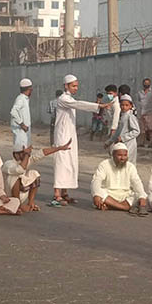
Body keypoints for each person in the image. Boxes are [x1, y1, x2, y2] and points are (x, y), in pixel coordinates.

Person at [52, 74, 107, 207]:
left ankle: (64, 193)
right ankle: (57, 194)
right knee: (61, 163)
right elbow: (79, 104)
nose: (76, 88)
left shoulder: (69, 98)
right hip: (62, 137)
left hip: (70, 135)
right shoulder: (63, 99)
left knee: (69, 163)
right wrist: (98, 106)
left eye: (77, 86)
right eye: (73, 86)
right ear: (66, 86)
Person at [5, 140, 71, 213]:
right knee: (15, 177)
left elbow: (42, 153)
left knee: (34, 174)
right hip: (7, 195)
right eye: (23, 153)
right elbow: (20, 170)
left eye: (26, 154)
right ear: (16, 154)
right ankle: (17, 205)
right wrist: (27, 154)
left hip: (21, 194)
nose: (26, 156)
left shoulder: (26, 160)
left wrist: (59, 148)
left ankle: (30, 203)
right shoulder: (8, 164)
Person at [91, 143, 148, 215]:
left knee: (140, 194)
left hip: (125, 195)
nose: (123, 158)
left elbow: (137, 182)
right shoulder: (104, 164)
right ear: (113, 155)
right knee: (98, 192)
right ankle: (125, 208)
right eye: (119, 155)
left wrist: (142, 197)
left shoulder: (130, 166)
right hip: (109, 194)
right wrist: (96, 195)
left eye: (125, 155)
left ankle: (111, 206)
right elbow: (97, 180)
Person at [108, 95, 140, 164]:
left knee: (128, 163)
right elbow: (118, 131)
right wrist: (110, 141)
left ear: (130, 106)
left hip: (129, 144)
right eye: (122, 105)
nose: (124, 107)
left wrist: (123, 137)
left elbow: (136, 131)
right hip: (122, 144)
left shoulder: (130, 116)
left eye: (126, 105)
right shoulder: (122, 115)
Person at [10, 78, 33, 152]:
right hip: (20, 130)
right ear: (29, 89)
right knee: (21, 151)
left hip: (24, 130)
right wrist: (22, 124)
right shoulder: (21, 99)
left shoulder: (25, 99)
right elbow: (13, 111)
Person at [136, 78, 152, 146]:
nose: (146, 84)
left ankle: (150, 143)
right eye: (145, 83)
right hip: (141, 112)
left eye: (147, 83)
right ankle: (142, 142)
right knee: (142, 129)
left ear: (150, 84)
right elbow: (138, 102)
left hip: (150, 112)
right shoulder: (139, 92)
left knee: (151, 128)